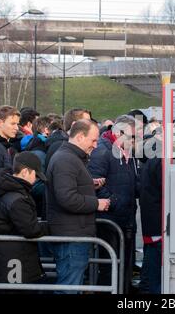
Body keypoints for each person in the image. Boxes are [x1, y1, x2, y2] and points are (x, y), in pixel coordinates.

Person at [46, 119, 109, 294]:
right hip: (71, 235)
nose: (96, 145)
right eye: (93, 140)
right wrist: (97, 203)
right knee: (69, 288)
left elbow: (70, 189)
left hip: (73, 233)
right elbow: (67, 198)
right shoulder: (66, 159)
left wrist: (89, 184)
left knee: (71, 285)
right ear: (80, 137)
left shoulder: (70, 157)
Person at [88, 114, 138, 293]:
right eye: (132, 136)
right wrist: (114, 201)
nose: (135, 140)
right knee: (110, 267)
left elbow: (131, 181)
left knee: (123, 265)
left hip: (126, 218)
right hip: (109, 220)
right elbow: (94, 183)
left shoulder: (127, 153)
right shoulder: (102, 151)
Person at [0, 152, 49, 286]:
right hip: (15, 258)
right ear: (25, 172)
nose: (36, 180)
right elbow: (30, 229)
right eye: (36, 175)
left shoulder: (10, 190)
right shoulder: (17, 198)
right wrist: (51, 226)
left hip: (12, 256)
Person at [139, 126, 162, 294]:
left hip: (151, 222)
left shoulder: (151, 160)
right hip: (158, 224)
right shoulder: (160, 162)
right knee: (155, 270)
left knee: (150, 267)